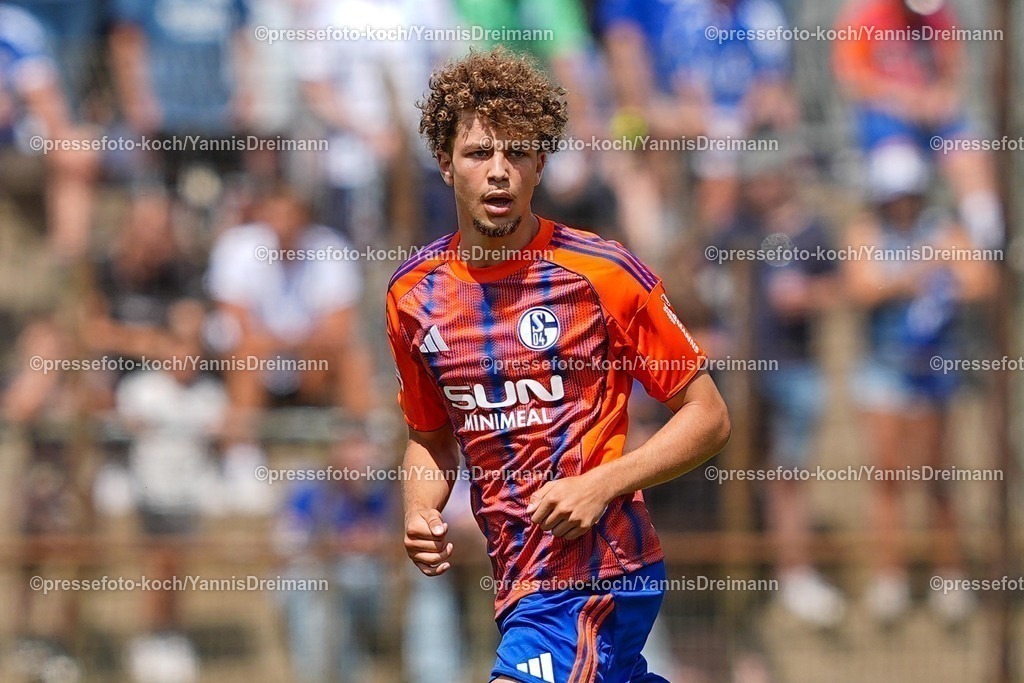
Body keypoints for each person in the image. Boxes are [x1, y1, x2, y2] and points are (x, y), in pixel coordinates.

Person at [387, 47, 731, 683]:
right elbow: (430, 439)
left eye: (516, 152)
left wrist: (602, 483)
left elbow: (708, 417)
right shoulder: (413, 297)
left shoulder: (604, 274)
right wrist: (419, 511)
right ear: (444, 163)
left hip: (599, 571)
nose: (499, 173)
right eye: (478, 153)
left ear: (540, 163)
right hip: (517, 577)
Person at [845, 144, 996, 625]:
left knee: (937, 476)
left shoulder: (942, 231)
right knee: (887, 477)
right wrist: (914, 278)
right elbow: (861, 288)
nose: (902, 203)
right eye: (894, 195)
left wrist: (943, 280)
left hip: (935, 371)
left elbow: (982, 280)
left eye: (908, 194)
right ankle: (890, 577)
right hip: (883, 371)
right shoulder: (867, 232)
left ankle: (949, 578)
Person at [711, 149, 845, 627]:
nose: (763, 187)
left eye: (771, 176)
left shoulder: (814, 230)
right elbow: (705, 283)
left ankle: (793, 572)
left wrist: (808, 296)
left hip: (795, 369)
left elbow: (841, 286)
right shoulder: (734, 229)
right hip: (740, 374)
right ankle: (745, 570)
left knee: (788, 474)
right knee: (736, 473)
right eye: (756, 179)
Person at [833, 0, 1004, 249]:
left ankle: (989, 249)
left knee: (970, 159)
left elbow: (953, 70)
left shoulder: (938, 14)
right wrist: (906, 100)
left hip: (936, 118)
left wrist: (940, 97)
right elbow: (850, 79)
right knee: (900, 174)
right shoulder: (866, 14)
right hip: (886, 119)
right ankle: (905, 256)